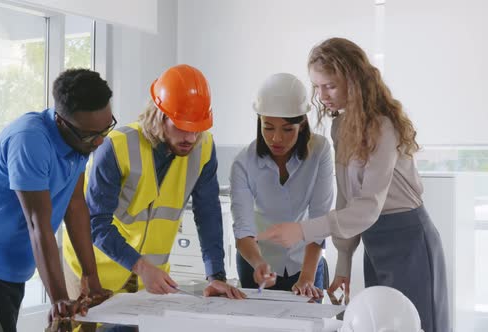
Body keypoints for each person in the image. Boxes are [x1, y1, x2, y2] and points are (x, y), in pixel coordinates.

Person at [258, 38, 449, 332]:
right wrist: (343, 266)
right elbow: (347, 201)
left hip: (408, 240)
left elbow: (367, 208)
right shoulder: (340, 126)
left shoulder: (383, 127)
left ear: (354, 79)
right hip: (375, 241)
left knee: (417, 325)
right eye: (317, 86)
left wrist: (302, 230)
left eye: (330, 85)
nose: (322, 96)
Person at [0, 69, 115, 331]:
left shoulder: (80, 140)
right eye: (92, 135)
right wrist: (59, 300)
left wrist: (90, 276)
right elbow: (38, 224)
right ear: (61, 121)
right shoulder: (30, 141)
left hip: (12, 265)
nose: (100, 142)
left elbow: (75, 206)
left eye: (106, 129)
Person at [62, 64, 245, 300]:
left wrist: (216, 276)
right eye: (181, 127)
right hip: (93, 271)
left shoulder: (204, 149)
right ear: (160, 115)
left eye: (197, 128)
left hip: (149, 278)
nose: (190, 138)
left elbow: (208, 214)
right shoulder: (116, 147)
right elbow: (96, 223)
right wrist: (141, 266)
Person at [230, 73, 334, 298]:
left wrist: (306, 278)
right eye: (268, 127)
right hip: (256, 262)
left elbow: (320, 219)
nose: (276, 138)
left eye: (287, 129)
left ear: (302, 123)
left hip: (306, 261)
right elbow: (243, 229)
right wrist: (258, 263)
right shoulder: (243, 163)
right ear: (259, 121)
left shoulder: (320, 151)